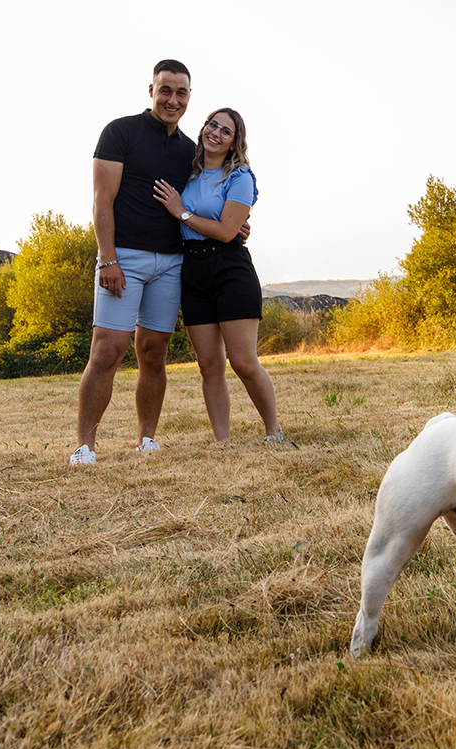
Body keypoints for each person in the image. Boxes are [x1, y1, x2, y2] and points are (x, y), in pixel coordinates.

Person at [70, 60, 196, 465]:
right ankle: (84, 446)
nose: (172, 100)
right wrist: (107, 258)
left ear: (188, 97)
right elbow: (100, 200)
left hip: (172, 263)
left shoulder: (190, 150)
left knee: (154, 353)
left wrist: (236, 226)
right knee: (107, 350)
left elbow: (205, 199)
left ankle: (147, 440)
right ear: (151, 90)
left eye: (181, 93)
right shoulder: (120, 132)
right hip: (122, 257)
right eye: (166, 90)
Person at [153, 108, 283, 443]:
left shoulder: (239, 177)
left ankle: (273, 430)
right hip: (192, 271)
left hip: (229, 269)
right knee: (209, 365)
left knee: (242, 361)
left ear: (234, 143)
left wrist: (180, 212)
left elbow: (227, 232)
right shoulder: (188, 172)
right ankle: (222, 441)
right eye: (212, 125)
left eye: (226, 131)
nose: (216, 133)